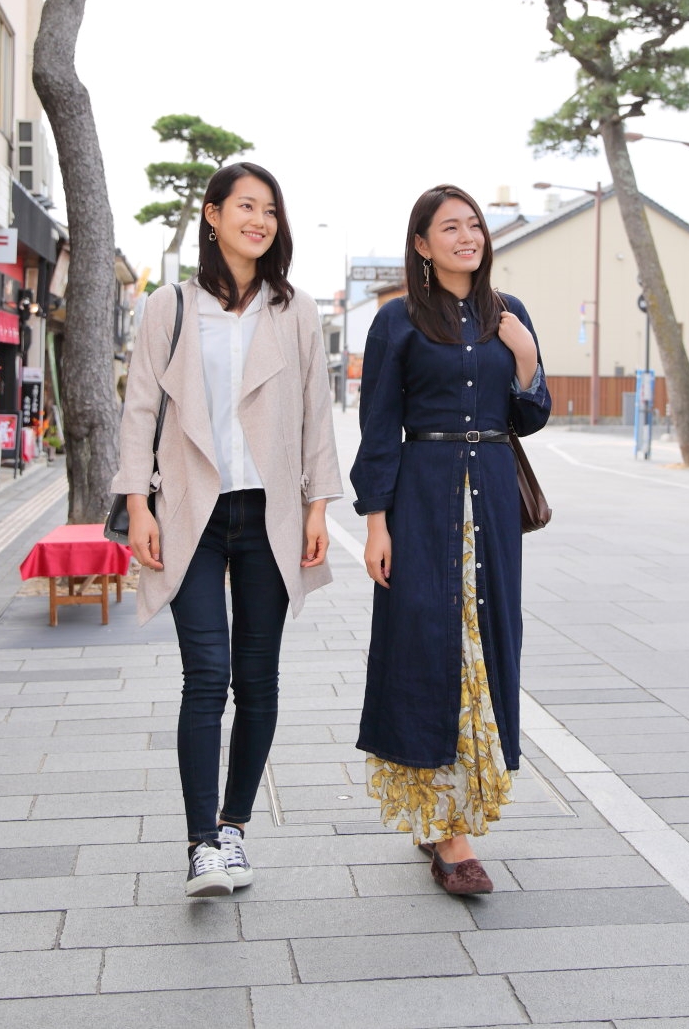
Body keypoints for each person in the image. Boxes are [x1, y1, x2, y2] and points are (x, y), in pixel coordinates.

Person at [114, 162, 342, 899]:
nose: (260, 220)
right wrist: (138, 505)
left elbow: (315, 412)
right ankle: (200, 845)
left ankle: (236, 824)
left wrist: (317, 507)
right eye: (246, 206)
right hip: (191, 510)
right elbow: (141, 409)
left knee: (259, 679)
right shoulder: (170, 307)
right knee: (205, 677)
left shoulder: (296, 309)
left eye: (270, 209)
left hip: (269, 511)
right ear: (211, 215)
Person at [351, 184, 550, 895]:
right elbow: (378, 426)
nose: (468, 236)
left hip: (492, 493)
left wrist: (524, 360)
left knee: (486, 641)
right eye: (450, 227)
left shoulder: (511, 315)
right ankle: (444, 827)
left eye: (475, 224)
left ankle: (453, 816)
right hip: (424, 492)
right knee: (426, 645)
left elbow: (533, 414)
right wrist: (376, 521)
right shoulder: (397, 320)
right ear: (422, 244)